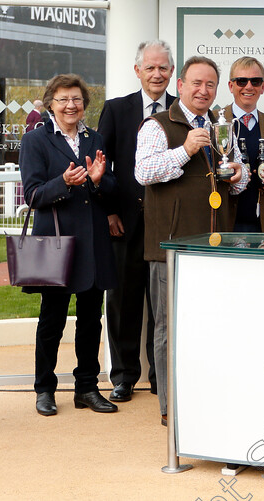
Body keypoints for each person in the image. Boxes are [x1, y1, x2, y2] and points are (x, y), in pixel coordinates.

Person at [135, 56, 249, 425]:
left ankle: (209, 397)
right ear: (180, 85)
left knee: (215, 323)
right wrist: (185, 149)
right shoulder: (156, 124)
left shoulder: (221, 125)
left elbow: (240, 177)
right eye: (196, 84)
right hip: (172, 246)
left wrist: (236, 175)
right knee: (168, 327)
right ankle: (171, 407)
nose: (204, 91)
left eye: (211, 85)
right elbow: (143, 172)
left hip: (216, 246)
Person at [19, 74, 118, 416]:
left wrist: (99, 179)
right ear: (50, 104)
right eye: (62, 99)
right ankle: (44, 389)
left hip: (92, 243)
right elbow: (32, 194)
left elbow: (110, 187)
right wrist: (61, 182)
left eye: (76, 99)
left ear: (84, 103)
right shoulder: (35, 140)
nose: (70, 105)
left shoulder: (95, 138)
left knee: (91, 320)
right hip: (56, 244)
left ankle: (86, 388)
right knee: (52, 320)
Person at [98, 40, 175, 403]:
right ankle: (125, 375)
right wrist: (110, 210)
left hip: (168, 223)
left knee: (163, 304)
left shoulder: (182, 109)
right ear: (138, 71)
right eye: (150, 67)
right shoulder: (116, 110)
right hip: (124, 221)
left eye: (163, 68)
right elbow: (102, 166)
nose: (157, 74)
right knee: (123, 299)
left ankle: (160, 375)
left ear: (172, 72)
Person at [222, 56, 264, 232]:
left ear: (263, 87)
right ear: (231, 86)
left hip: (263, 224)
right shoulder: (214, 121)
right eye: (241, 81)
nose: (248, 87)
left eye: (255, 81)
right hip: (223, 221)